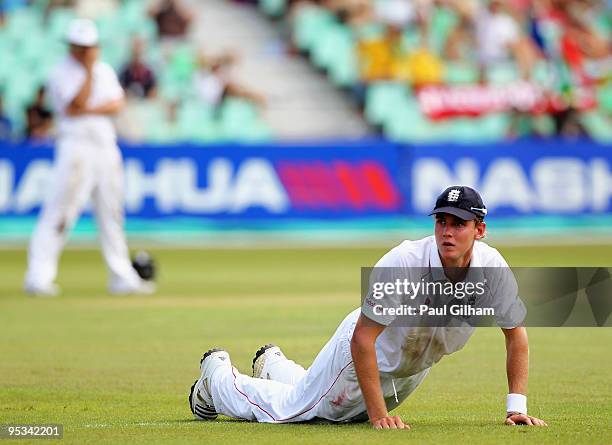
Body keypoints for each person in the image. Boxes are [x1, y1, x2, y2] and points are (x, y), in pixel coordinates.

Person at [188, 185, 548, 428]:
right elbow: (363, 339)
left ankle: (275, 366)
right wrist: (379, 416)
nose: (447, 232)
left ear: (480, 230)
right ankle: (217, 378)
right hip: (363, 350)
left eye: (459, 224)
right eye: (441, 221)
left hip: (410, 368)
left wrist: (517, 407)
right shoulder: (405, 262)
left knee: (326, 405)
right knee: (302, 412)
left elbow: (516, 335)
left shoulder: (492, 269)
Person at [24, 19, 155, 297]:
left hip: (105, 146)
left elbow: (117, 104)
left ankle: (121, 276)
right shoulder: (61, 72)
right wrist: (87, 74)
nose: (86, 52)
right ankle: (38, 276)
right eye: (81, 47)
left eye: (89, 47)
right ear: (72, 47)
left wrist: (92, 103)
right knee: (61, 212)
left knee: (112, 213)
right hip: (76, 147)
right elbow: (76, 105)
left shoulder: (105, 70)